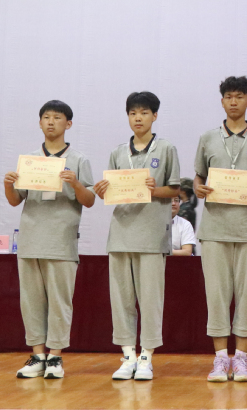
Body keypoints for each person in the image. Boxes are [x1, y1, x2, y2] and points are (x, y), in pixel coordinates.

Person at [91, 92, 181, 381]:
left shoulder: (166, 148)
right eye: (133, 113)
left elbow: (175, 189)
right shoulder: (118, 152)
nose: (138, 118)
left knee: (151, 299)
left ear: (155, 116)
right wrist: (103, 191)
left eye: (143, 113)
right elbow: (113, 193)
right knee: (122, 299)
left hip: (152, 236)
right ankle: (128, 355)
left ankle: (147, 357)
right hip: (121, 234)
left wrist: (155, 189)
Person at [2, 100, 95, 380]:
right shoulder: (29, 160)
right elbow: (15, 200)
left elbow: (89, 200)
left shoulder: (78, 159)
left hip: (61, 241)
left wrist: (75, 183)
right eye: (46, 117)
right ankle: (37, 356)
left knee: (59, 301)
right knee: (31, 301)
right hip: (31, 239)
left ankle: (55, 356)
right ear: (40, 123)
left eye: (57, 117)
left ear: (69, 124)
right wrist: (8, 184)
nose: (51, 122)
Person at [193, 76, 247, 383]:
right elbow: (198, 176)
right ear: (222, 101)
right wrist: (198, 188)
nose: (233, 101)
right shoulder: (208, 137)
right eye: (228, 96)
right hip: (214, 228)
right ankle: (219, 359)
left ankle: (240, 359)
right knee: (216, 295)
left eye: (239, 96)